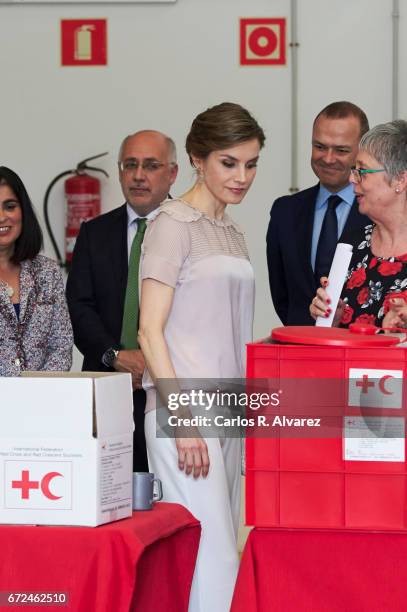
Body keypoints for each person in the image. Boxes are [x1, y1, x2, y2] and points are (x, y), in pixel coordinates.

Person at [138, 102, 265, 612]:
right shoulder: (171, 223)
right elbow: (149, 330)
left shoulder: (232, 232)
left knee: (219, 552)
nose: (242, 177)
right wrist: (181, 419)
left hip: (228, 413)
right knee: (213, 558)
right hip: (182, 413)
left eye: (252, 163)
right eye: (228, 163)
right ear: (196, 158)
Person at [66, 130, 178, 471]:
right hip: (109, 385)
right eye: (130, 165)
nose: (139, 175)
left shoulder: (192, 231)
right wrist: (115, 356)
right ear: (119, 171)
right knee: (113, 494)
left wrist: (154, 362)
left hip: (171, 391)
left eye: (151, 165)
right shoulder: (93, 233)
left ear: (172, 173)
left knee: (172, 499)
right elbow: (80, 307)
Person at [267, 101, 370, 326]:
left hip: (358, 352)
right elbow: (282, 297)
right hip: (299, 350)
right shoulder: (284, 212)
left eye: (341, 150)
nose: (328, 158)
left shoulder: (378, 214)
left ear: (362, 153)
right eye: (320, 146)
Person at [310, 119, 407, 329]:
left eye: (361, 172)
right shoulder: (352, 243)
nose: (353, 179)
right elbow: (332, 334)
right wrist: (330, 319)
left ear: (400, 180)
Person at [0, 166, 72, 376]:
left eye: (10, 206)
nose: (2, 216)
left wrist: (36, 393)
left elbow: (61, 346)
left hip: (43, 401)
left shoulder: (47, 272)